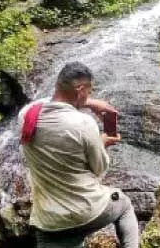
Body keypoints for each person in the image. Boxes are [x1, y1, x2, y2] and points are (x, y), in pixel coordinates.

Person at [18, 62, 139, 248]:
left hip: (48, 222)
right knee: (123, 205)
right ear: (80, 89)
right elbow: (99, 169)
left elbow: (41, 102)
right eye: (89, 92)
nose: (89, 96)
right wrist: (102, 142)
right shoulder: (83, 123)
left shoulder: (26, 116)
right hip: (86, 211)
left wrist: (87, 102)